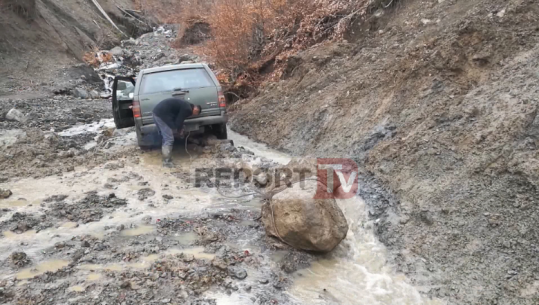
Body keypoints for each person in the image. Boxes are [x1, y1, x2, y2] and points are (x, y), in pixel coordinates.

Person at [152, 98, 201, 167]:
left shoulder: (186, 105)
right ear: (196, 110)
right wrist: (179, 131)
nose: (192, 115)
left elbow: (177, 118)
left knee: (165, 137)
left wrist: (178, 128)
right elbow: (179, 121)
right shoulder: (188, 109)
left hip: (157, 113)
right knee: (169, 139)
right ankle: (167, 162)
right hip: (161, 115)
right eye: (195, 114)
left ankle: (165, 158)